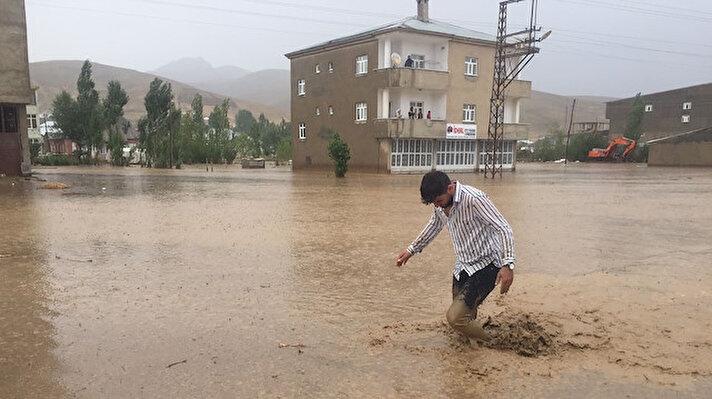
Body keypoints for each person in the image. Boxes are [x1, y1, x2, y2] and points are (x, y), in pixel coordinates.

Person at [395, 171, 515, 342]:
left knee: (455, 318)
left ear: (450, 188)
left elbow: (503, 228)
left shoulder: (474, 199)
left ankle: (493, 344)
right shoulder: (440, 206)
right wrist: (411, 250)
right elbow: (434, 226)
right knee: (464, 319)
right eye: (434, 204)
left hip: (488, 265)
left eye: (439, 202)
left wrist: (508, 265)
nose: (437, 207)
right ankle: (471, 352)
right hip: (463, 266)